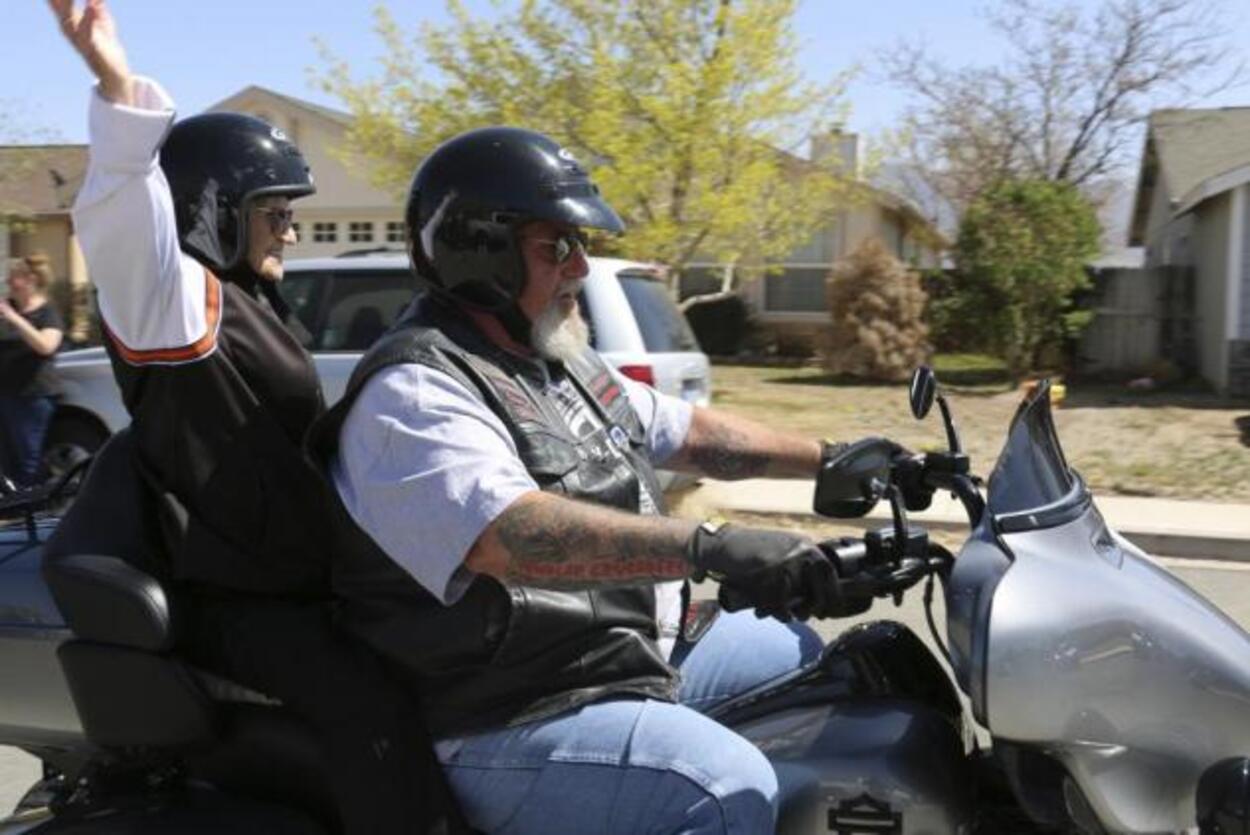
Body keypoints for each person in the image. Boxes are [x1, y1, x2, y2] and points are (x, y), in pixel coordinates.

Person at [310, 126, 874, 834]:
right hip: (506, 708)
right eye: (558, 246)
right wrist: (709, 545)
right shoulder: (416, 393)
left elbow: (688, 433)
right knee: (727, 788)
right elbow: (509, 535)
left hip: (613, 651)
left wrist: (836, 457)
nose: (580, 267)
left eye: (582, 245)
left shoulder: (553, 356)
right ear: (480, 253)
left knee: (814, 660)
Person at [50, 1, 467, 832]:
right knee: (371, 708)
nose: (290, 225)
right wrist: (113, 82)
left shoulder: (251, 300)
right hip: (240, 597)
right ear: (216, 209)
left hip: (302, 578)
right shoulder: (172, 302)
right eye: (274, 210)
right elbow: (127, 219)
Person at [0, 254, 65, 487]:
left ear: (31, 279)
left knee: (28, 460)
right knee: (6, 462)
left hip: (33, 397)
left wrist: (14, 318)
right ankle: (14, 511)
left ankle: (34, 514)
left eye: (14, 277)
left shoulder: (48, 312)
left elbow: (46, 346)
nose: (8, 282)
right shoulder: (9, 309)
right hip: (6, 395)